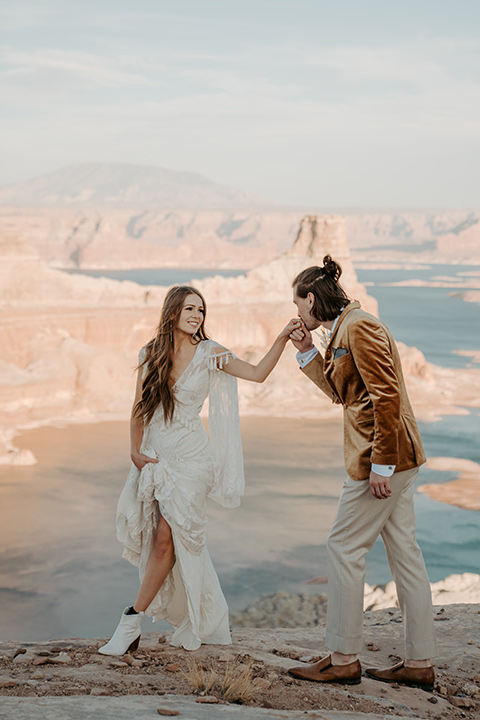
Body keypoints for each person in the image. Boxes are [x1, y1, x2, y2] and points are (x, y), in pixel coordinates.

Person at [99, 285, 299, 654]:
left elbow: (256, 374)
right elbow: (139, 408)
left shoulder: (211, 353)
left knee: (167, 536)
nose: (196, 316)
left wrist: (282, 339)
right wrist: (134, 452)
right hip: (157, 454)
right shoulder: (151, 353)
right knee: (165, 541)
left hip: (192, 459)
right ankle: (146, 621)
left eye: (201, 311)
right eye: (190, 308)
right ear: (172, 312)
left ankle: (130, 620)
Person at [287, 255, 437, 689]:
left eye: (300, 308)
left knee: (343, 547)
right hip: (397, 459)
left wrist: (381, 466)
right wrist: (305, 352)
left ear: (312, 299)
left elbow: (385, 396)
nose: (299, 315)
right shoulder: (344, 328)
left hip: (383, 459)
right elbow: (345, 394)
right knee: (405, 554)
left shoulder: (360, 327)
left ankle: (343, 658)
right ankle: (420, 662)